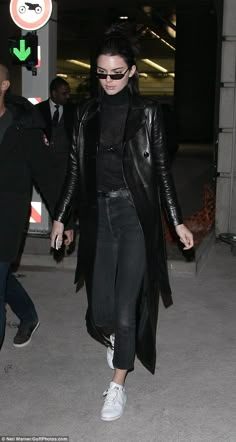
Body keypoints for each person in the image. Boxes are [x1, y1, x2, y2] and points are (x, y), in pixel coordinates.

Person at [51, 24, 194, 422]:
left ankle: (117, 386)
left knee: (128, 306)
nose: (109, 80)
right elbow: (75, 170)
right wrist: (62, 216)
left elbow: (162, 172)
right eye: (102, 73)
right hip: (99, 217)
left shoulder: (148, 114)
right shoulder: (84, 114)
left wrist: (177, 221)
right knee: (100, 312)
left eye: (117, 73)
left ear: (131, 71)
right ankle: (115, 336)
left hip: (134, 217)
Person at [0, 63, 73, 350]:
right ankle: (28, 315)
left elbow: (46, 176)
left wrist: (63, 217)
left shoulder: (24, 128)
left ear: (4, 85)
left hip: (8, 215)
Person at [36, 77, 75, 258]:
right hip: (45, 165)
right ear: (53, 94)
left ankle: (65, 228)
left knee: (65, 197)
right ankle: (62, 228)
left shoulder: (73, 112)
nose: (68, 96)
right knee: (52, 197)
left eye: (68, 93)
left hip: (66, 164)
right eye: (63, 93)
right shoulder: (38, 111)